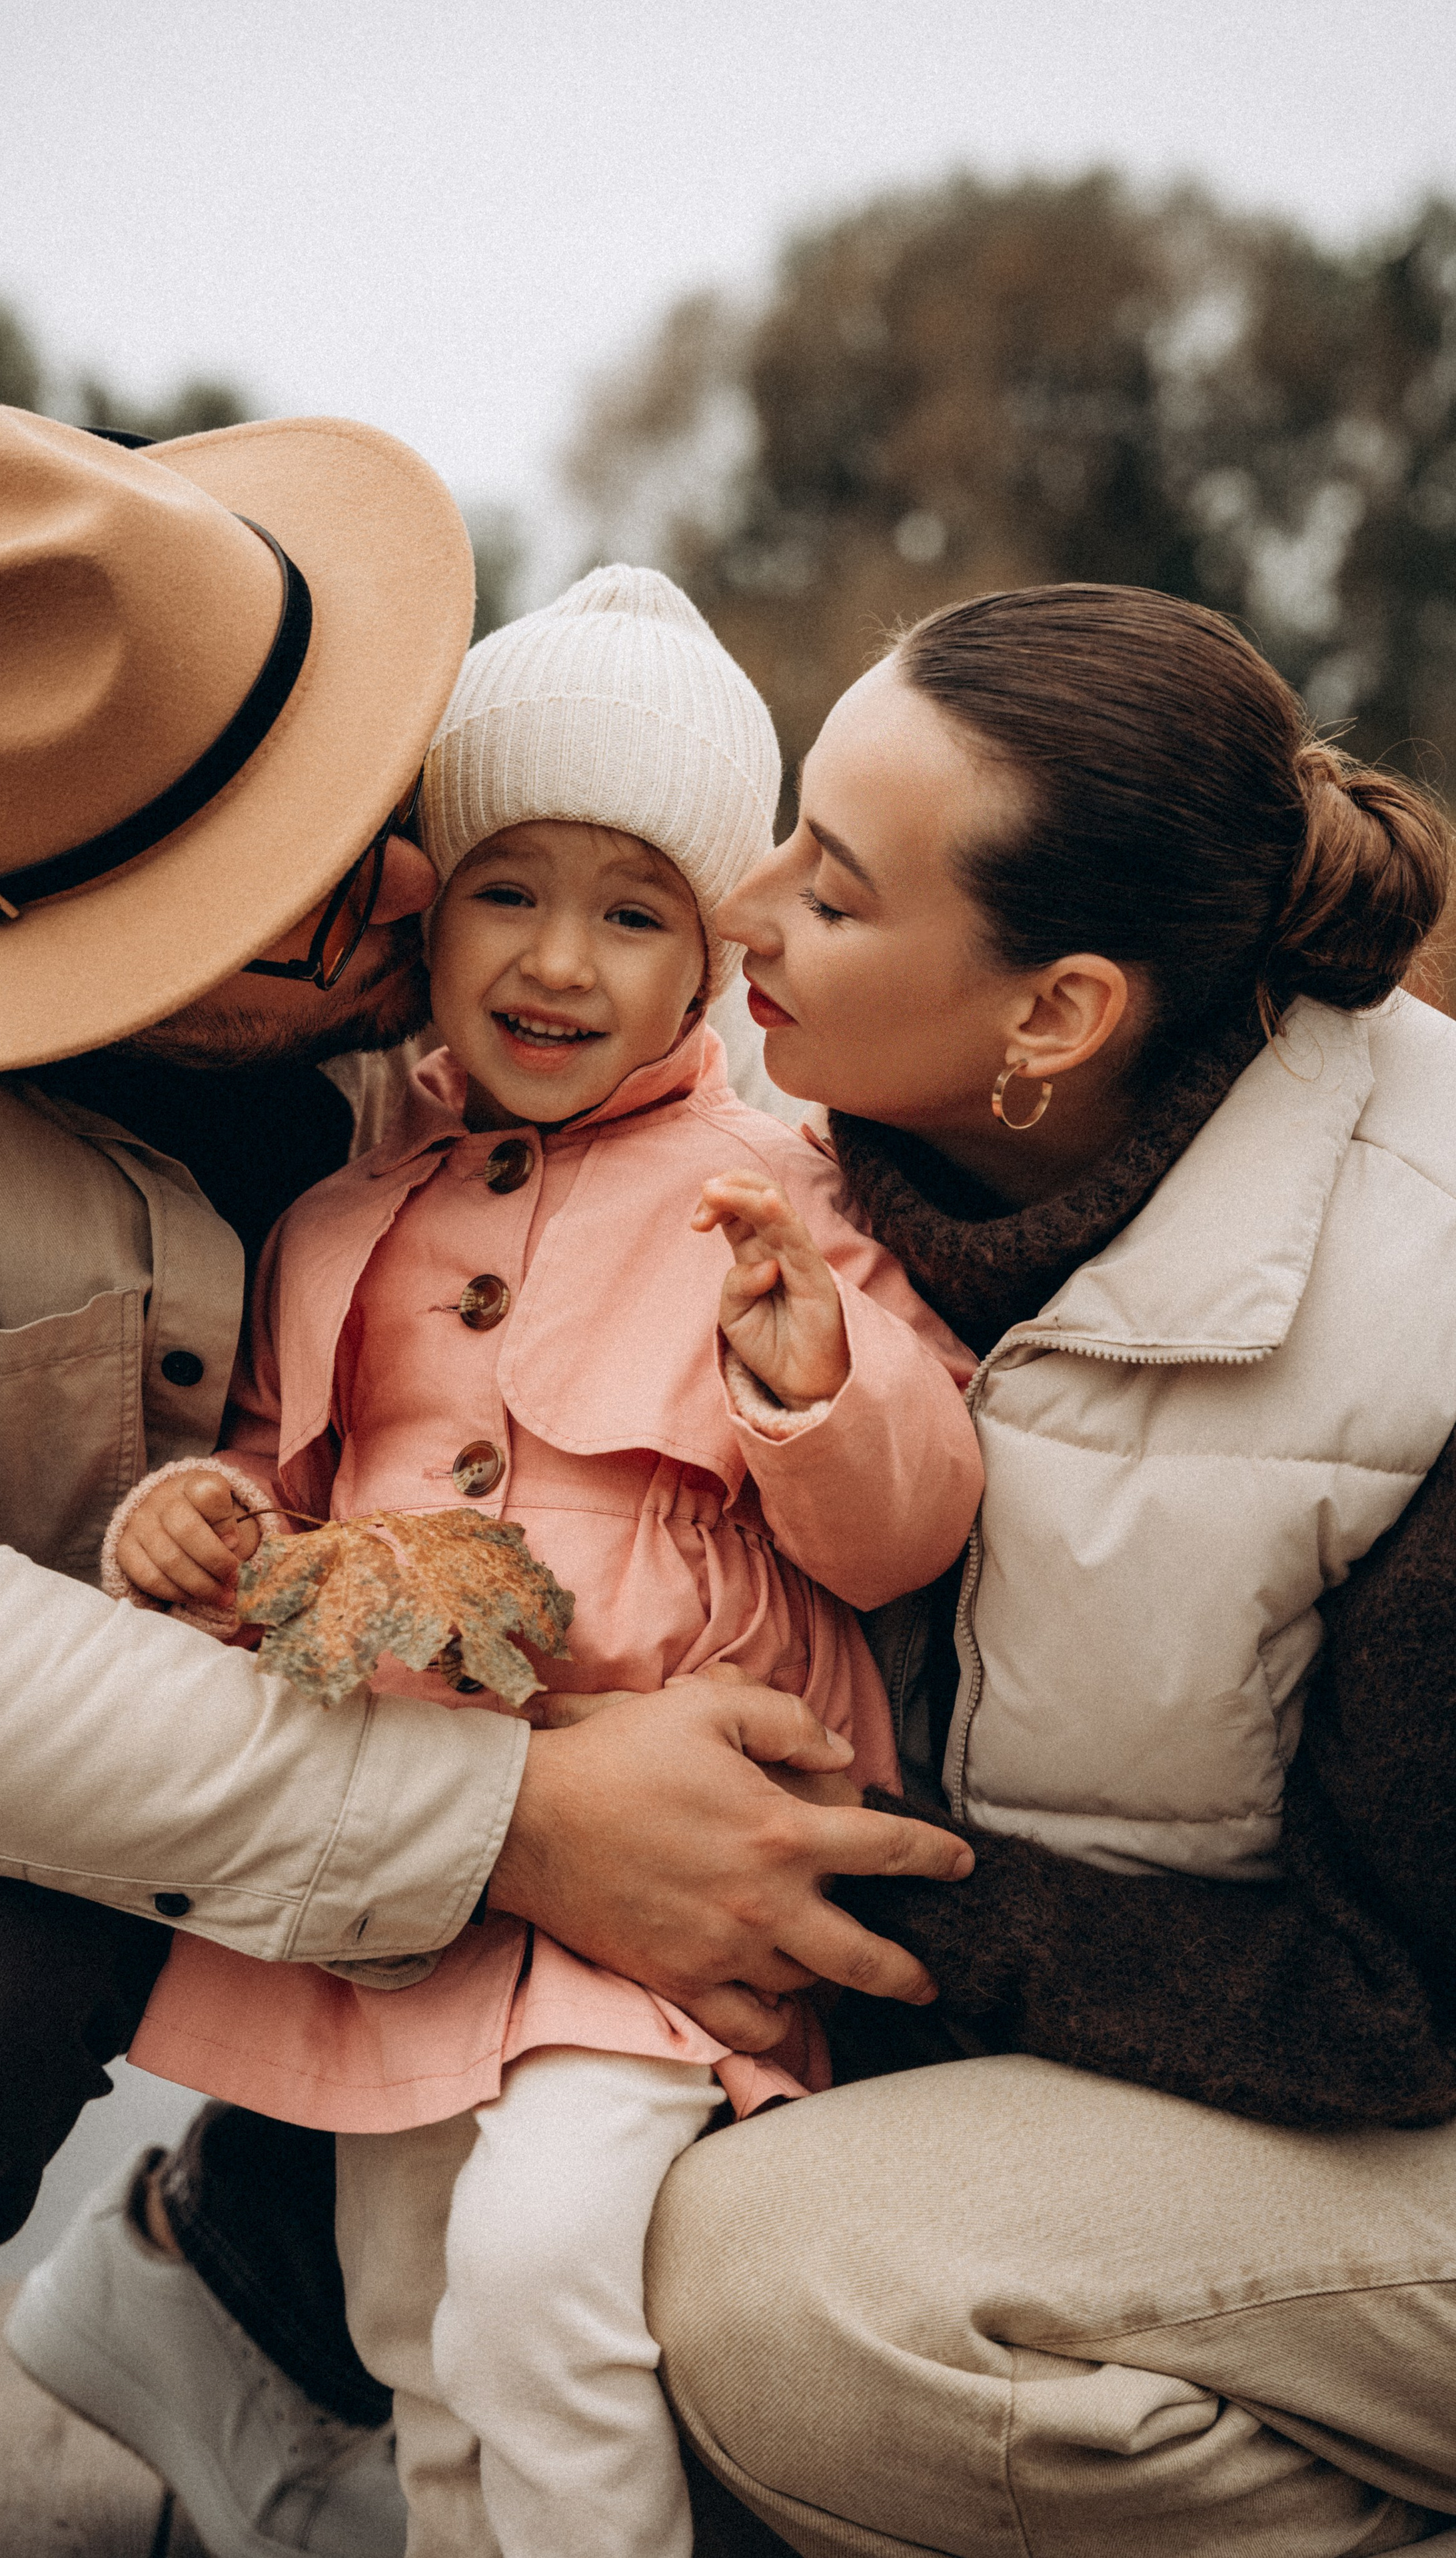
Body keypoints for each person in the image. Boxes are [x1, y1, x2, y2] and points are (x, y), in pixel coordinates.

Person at [0, 405, 972, 2558]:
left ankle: (219, 2290)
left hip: (452, 1810)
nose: (419, 896)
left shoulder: (569, 1073)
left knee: (523, 2270)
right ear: (99, 966)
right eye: (315, 887)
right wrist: (508, 1813)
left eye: (371, 795)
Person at [99, 566, 983, 2558]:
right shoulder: (344, 1216)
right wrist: (198, 1532)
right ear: (433, 912)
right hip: (415, 1864)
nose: (560, 961)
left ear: (711, 956)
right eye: (510, 888)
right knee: (414, 2323)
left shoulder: (783, 1197)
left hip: (667, 1881)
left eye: (635, 912)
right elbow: (280, 1491)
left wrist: (817, 1378)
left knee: (539, 2284)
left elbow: (910, 1531)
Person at [642, 583, 1456, 2557]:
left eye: (831, 893)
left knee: (787, 2295)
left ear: (1058, 1015)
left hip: (1414, 2078)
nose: (739, 911)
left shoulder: (1421, 1323)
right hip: (1213, 2064)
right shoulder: (802, 1166)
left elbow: (1398, 2004)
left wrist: (843, 1892)